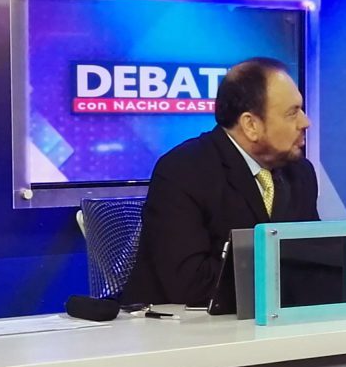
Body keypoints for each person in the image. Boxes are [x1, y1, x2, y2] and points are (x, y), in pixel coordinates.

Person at [121, 57, 319, 305]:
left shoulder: (300, 173)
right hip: (180, 323)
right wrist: (287, 278)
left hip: (270, 320)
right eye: (292, 113)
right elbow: (190, 284)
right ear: (251, 125)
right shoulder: (183, 170)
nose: (305, 122)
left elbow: (314, 260)